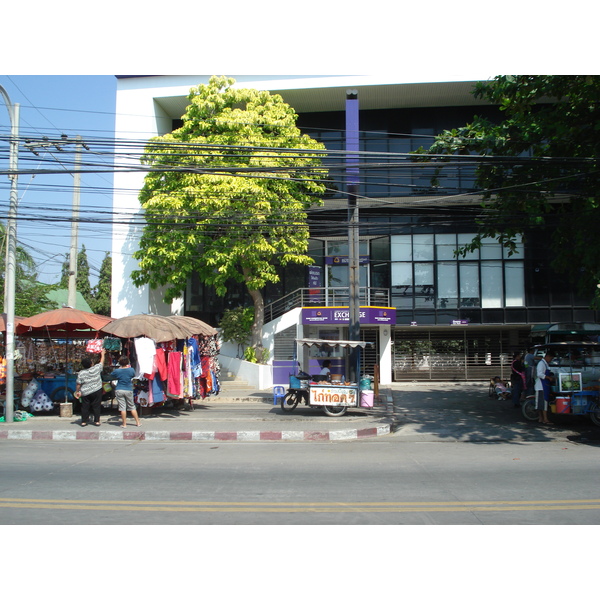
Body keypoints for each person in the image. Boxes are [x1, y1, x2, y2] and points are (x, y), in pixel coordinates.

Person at [74, 348, 106, 427]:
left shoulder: (81, 373)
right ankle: (97, 421)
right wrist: (102, 354)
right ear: (91, 364)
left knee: (85, 406)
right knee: (96, 406)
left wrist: (77, 391)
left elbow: (78, 383)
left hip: (85, 391)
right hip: (96, 390)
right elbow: (102, 362)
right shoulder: (96, 368)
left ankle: (84, 421)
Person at [109, 356, 141, 428]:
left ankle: (124, 424)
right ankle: (138, 422)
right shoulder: (131, 370)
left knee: (122, 407)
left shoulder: (117, 371)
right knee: (132, 406)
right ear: (128, 362)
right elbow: (133, 375)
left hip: (119, 389)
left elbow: (111, 375)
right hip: (128, 389)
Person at [535, 350, 555, 425]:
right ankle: (545, 419)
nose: (551, 360)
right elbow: (539, 374)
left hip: (544, 386)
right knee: (543, 403)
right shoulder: (541, 363)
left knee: (541, 403)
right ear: (547, 356)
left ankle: (541, 418)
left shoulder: (545, 364)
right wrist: (548, 377)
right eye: (551, 358)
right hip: (541, 386)